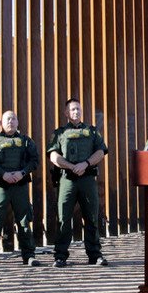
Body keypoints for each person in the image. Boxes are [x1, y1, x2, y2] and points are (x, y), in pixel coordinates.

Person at [47, 98, 109, 267]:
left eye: (79, 109)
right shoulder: (59, 133)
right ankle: (60, 256)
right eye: (73, 109)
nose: (76, 112)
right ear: (66, 113)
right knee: (63, 218)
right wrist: (70, 166)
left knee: (92, 217)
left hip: (87, 179)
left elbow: (101, 152)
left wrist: (85, 164)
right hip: (67, 179)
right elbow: (53, 155)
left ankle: (95, 255)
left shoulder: (92, 131)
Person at [0, 110, 40, 268]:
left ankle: (29, 256)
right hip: (1, 185)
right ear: (1, 123)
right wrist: (3, 174)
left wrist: (22, 172)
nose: (11, 122)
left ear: (18, 122)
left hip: (20, 186)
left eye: (13, 119)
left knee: (24, 221)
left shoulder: (26, 141)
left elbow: (34, 160)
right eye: (7, 119)